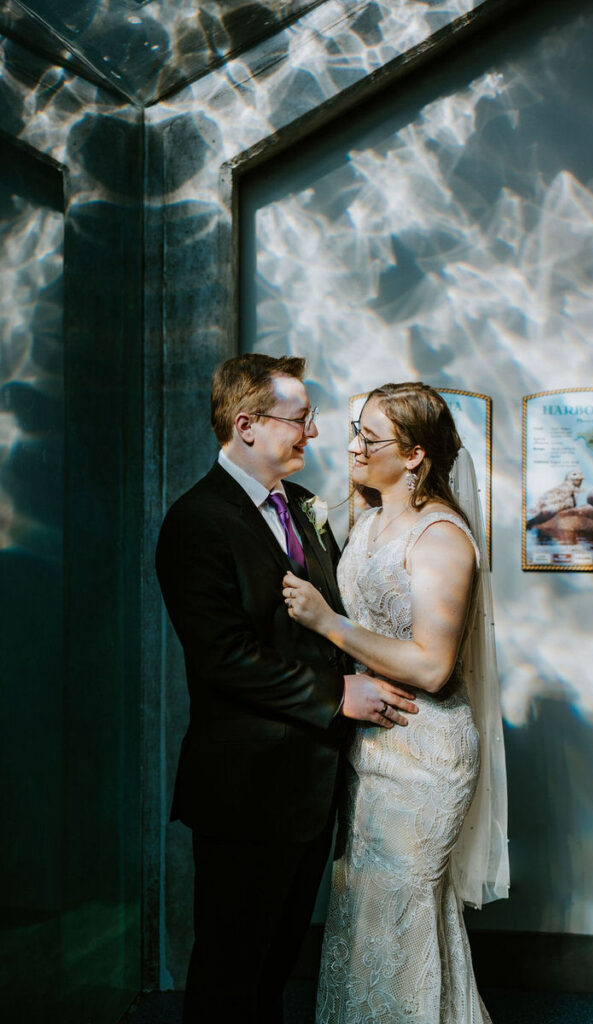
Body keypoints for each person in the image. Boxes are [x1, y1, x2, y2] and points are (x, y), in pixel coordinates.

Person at [155, 355, 419, 1024]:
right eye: (300, 419)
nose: (314, 433)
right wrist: (338, 694)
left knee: (274, 970)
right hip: (244, 787)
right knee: (230, 975)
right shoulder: (196, 522)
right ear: (246, 425)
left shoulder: (303, 508)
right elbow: (224, 660)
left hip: (309, 783)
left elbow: (320, 621)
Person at [283, 382, 509, 1024]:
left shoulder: (442, 537)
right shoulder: (370, 517)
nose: (351, 447)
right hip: (370, 748)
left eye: (369, 438)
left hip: (425, 754)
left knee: (400, 916)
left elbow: (433, 667)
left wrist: (328, 624)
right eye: (355, 431)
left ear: (413, 455)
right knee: (363, 914)